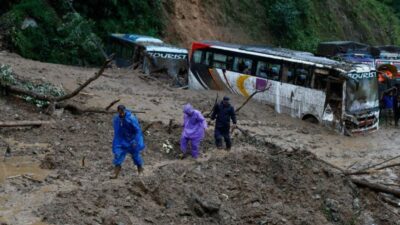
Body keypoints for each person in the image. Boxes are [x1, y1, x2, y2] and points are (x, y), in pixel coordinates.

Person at [111, 105, 145, 179]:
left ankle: (140, 170)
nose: (121, 114)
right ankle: (115, 173)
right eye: (120, 112)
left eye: (122, 112)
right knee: (118, 155)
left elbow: (137, 130)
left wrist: (135, 140)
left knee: (135, 155)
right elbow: (117, 131)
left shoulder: (131, 119)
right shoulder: (117, 119)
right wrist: (117, 141)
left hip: (132, 139)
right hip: (122, 140)